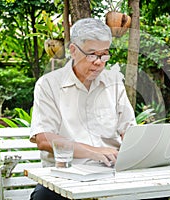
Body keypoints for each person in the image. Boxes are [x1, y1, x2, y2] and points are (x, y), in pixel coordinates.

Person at [29, 18, 136, 200]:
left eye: (104, 55)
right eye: (92, 54)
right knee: (43, 198)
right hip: (66, 175)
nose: (99, 62)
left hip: (111, 173)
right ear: (73, 51)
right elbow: (44, 139)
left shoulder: (114, 82)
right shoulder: (48, 85)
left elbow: (129, 131)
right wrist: (94, 152)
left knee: (157, 194)